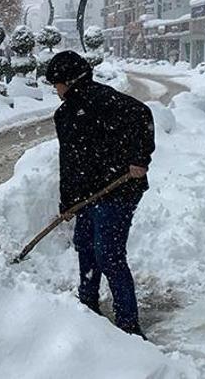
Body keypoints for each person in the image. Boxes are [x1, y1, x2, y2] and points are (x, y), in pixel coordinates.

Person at [45, 51, 156, 340]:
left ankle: (129, 326)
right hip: (89, 195)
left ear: (71, 81)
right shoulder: (65, 114)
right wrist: (67, 202)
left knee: (109, 254)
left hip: (119, 189)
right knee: (85, 245)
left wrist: (139, 159)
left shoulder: (105, 100)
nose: (55, 90)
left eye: (56, 83)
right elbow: (68, 161)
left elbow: (142, 115)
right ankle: (88, 305)